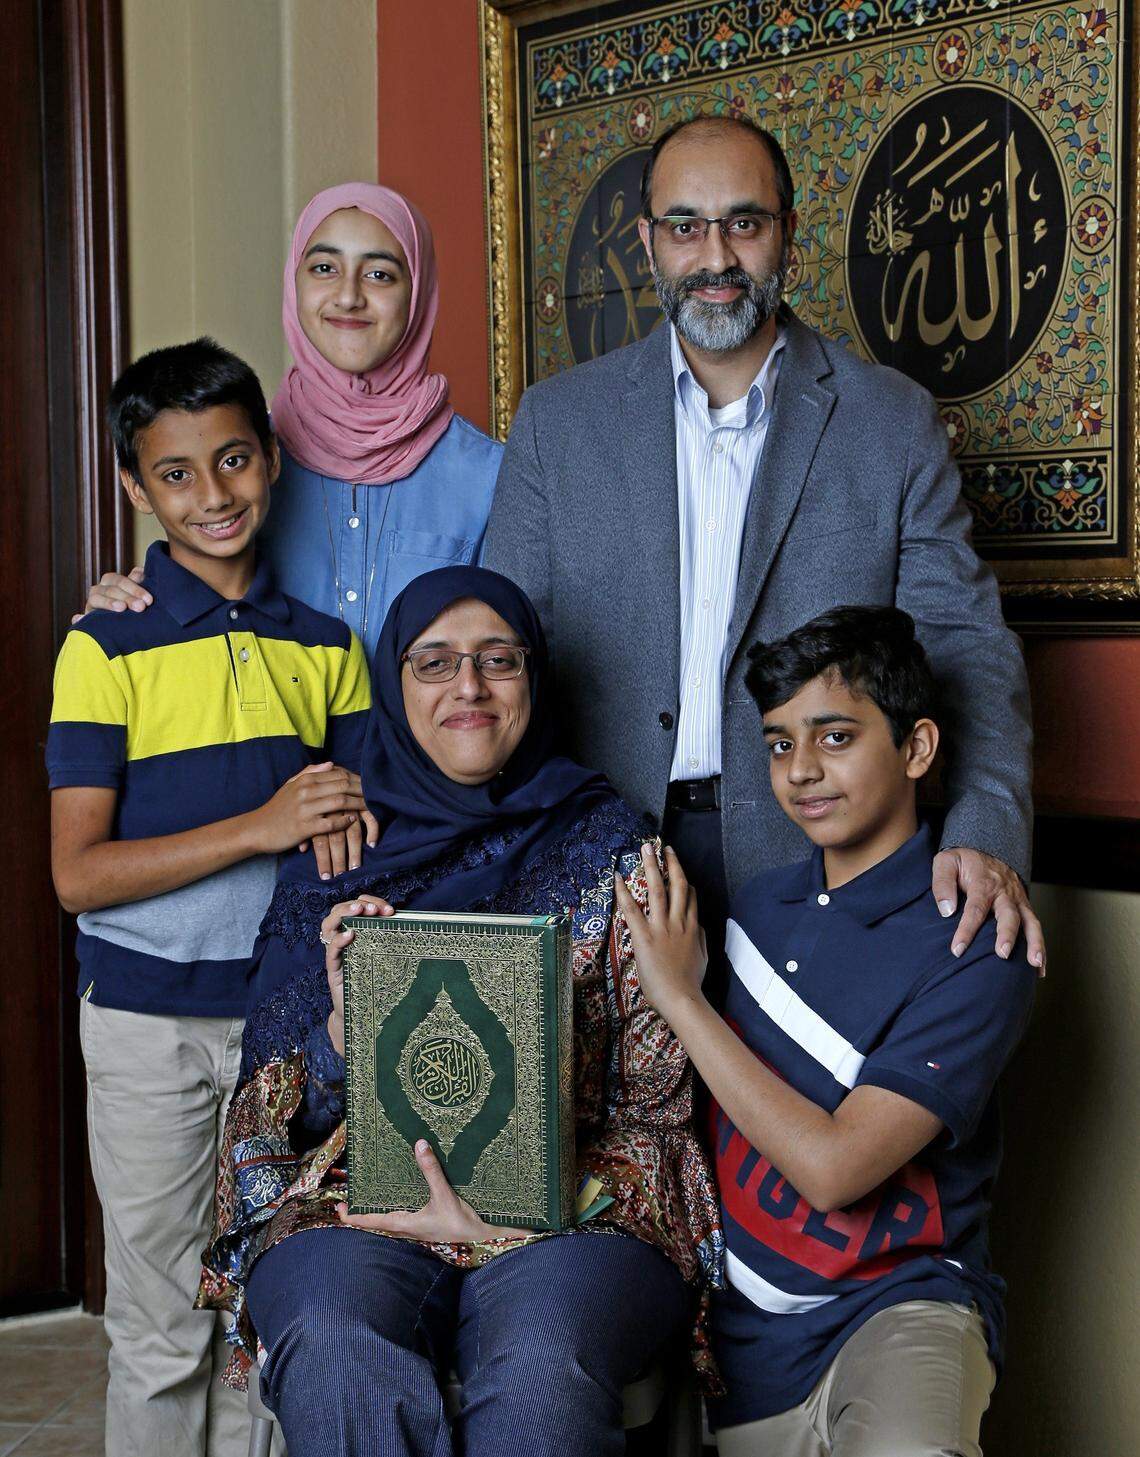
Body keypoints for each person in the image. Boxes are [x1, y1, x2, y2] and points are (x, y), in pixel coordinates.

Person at [483, 114, 1044, 987]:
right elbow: (496, 655)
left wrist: (983, 829)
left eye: (744, 223)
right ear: (648, 241)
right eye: (685, 227)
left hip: (828, 856)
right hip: (596, 863)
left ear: (787, 234)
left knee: (805, 1125)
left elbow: (965, 647)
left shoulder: (890, 421)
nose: (715, 258)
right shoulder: (557, 425)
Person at [197, 565, 724, 1457]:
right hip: (361, 1200)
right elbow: (264, 1119)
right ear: (394, 691)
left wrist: (537, 1206)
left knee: (540, 1367)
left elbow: (658, 1112)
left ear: (535, 675)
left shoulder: (620, 850)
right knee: (333, 1347)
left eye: (497, 659)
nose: (468, 687)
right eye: (433, 663)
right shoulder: (335, 859)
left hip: (579, 1206)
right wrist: (339, 1030)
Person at [47, 338, 372, 1457]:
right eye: (175, 474)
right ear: (135, 488)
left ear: (272, 460)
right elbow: (77, 873)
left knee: (267, 1322)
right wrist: (261, 825)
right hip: (145, 1027)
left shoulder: (328, 648)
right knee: (163, 1325)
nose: (213, 493)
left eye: (232, 459)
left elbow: (361, 842)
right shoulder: (105, 644)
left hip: (283, 1024)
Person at [615, 605, 1036, 1456]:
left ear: (916, 748)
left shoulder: (975, 937)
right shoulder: (751, 906)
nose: (802, 770)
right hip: (743, 1346)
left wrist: (683, 999)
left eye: (835, 737)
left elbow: (835, 1169)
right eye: (779, 744)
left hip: (899, 1308)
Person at [81, 181, 501, 659]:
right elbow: (190, 594)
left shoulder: (487, 475)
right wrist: (126, 607)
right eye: (324, 268)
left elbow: (512, 651)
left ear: (419, 292)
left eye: (380, 275)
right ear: (293, 282)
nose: (348, 297)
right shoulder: (236, 460)